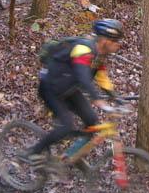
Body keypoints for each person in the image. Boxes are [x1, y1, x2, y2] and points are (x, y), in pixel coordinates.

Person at [20, 19, 125, 164]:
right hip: (50, 88)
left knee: (92, 123)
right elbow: (83, 77)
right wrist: (99, 101)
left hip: (69, 89)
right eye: (115, 41)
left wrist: (117, 98)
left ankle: (67, 158)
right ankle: (33, 152)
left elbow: (102, 79)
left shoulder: (100, 54)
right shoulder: (83, 49)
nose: (118, 44)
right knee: (66, 126)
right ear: (105, 40)